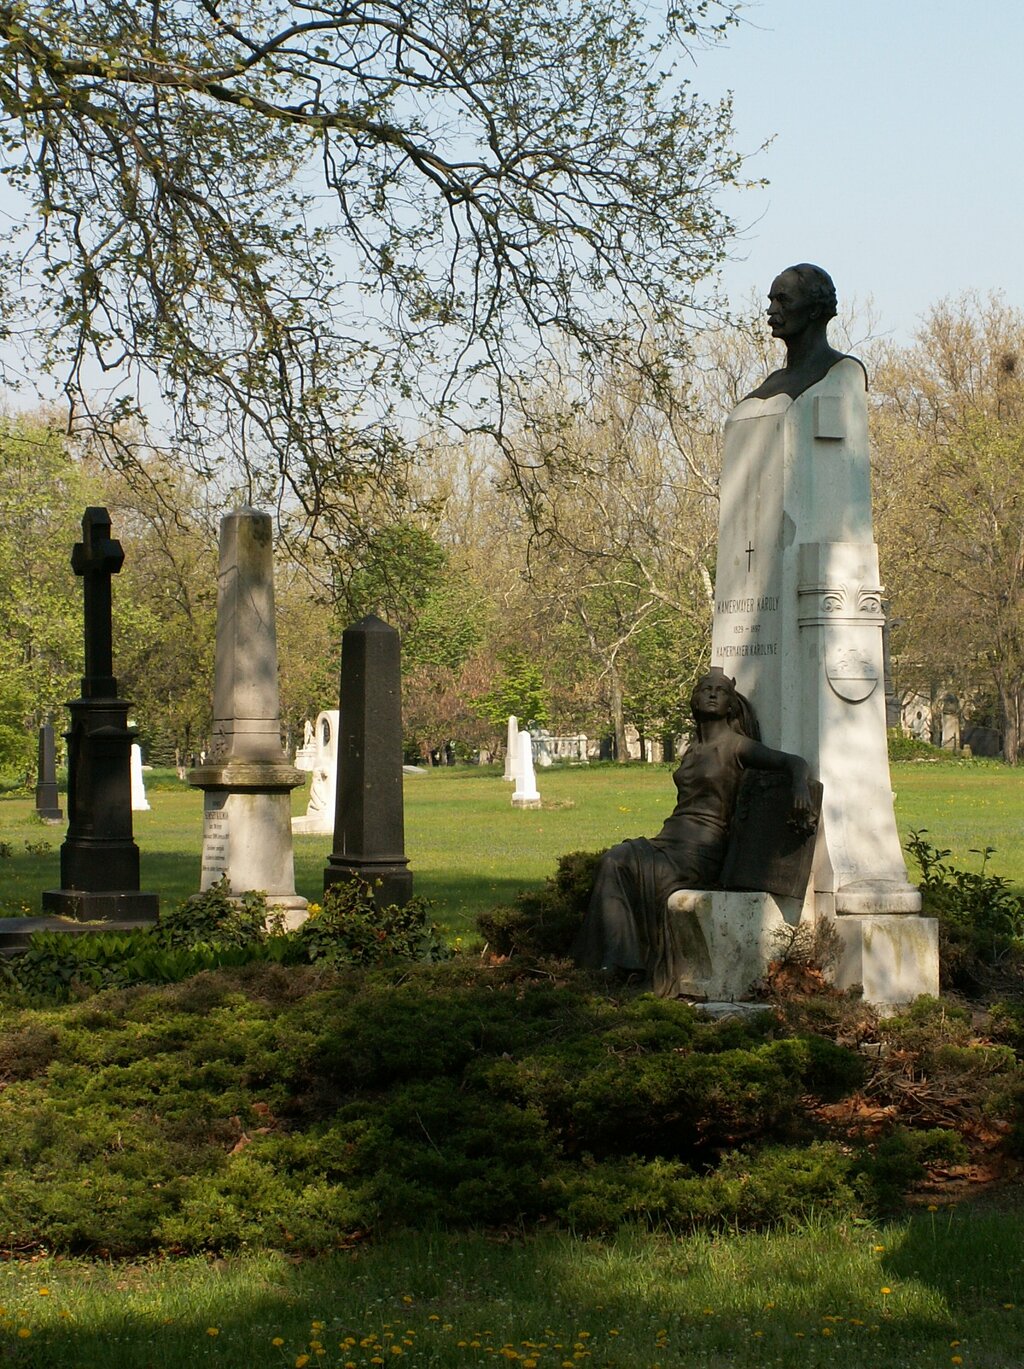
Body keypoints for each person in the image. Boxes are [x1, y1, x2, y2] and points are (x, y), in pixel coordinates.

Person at [572, 668, 813, 990]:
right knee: (614, 860)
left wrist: (799, 788)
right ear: (694, 700)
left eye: (720, 690)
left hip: (699, 851)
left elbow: (794, 762)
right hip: (668, 840)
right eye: (705, 689)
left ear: (731, 704)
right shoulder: (691, 750)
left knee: (616, 862)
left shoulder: (736, 746)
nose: (712, 693)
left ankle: (619, 966)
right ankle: (611, 963)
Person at [746, 263, 865, 401]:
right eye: (772, 300)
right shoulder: (771, 382)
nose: (771, 310)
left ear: (814, 310)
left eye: (783, 300)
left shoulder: (844, 371)